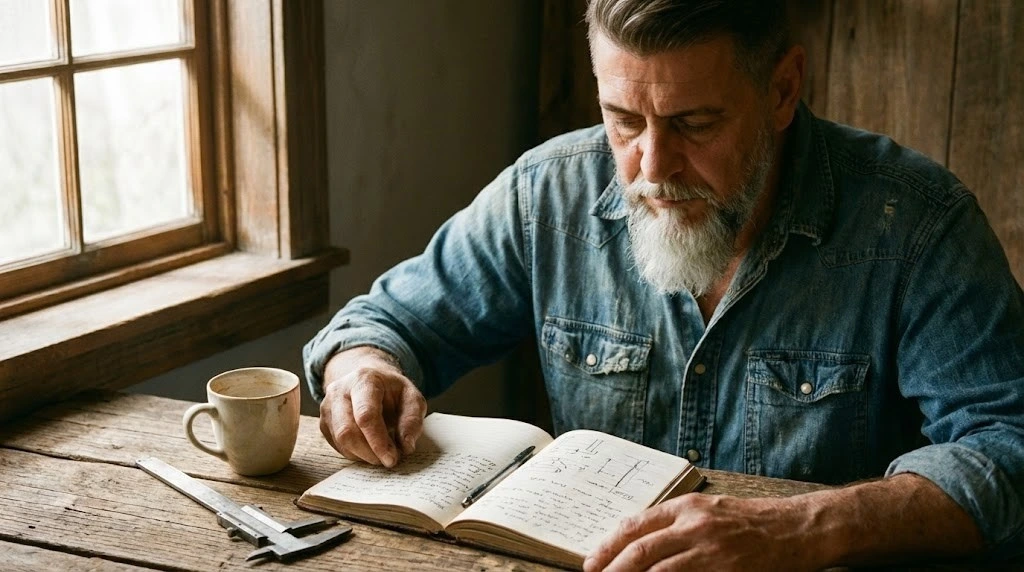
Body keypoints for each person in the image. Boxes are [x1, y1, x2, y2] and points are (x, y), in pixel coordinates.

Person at [303, 0, 1024, 569]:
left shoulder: (919, 225)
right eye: (622, 121)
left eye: (695, 124)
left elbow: (1007, 448)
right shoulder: (546, 195)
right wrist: (363, 370)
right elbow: (384, 324)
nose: (653, 166)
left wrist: (803, 530)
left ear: (782, 89)